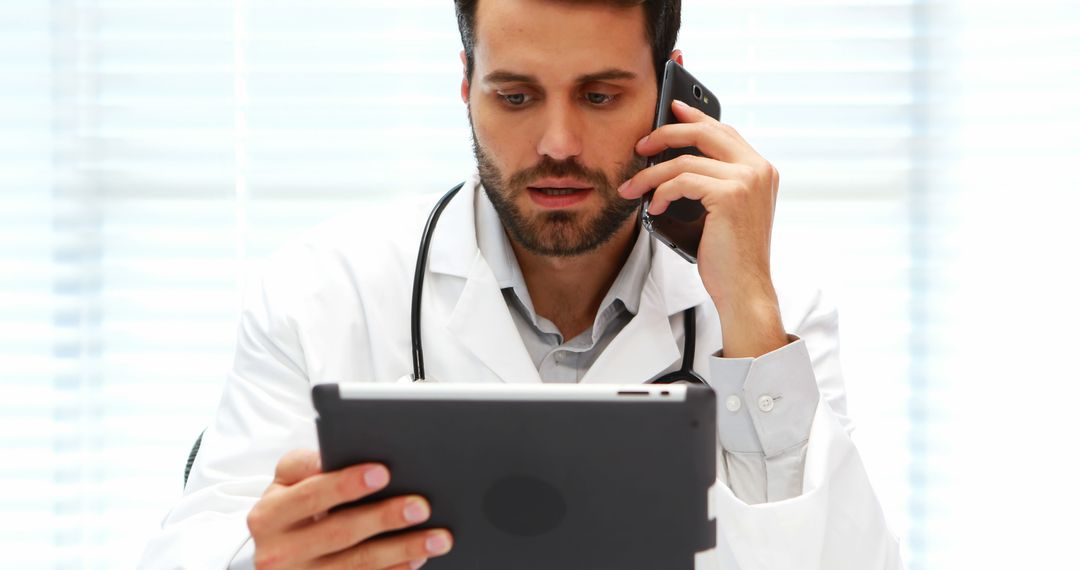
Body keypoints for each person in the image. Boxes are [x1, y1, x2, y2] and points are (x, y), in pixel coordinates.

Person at [141, 0, 902, 568]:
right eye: (515, 96)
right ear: (467, 83)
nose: (557, 144)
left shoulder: (773, 309)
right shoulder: (321, 291)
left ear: (671, 85)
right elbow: (192, 546)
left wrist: (752, 319)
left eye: (600, 95)